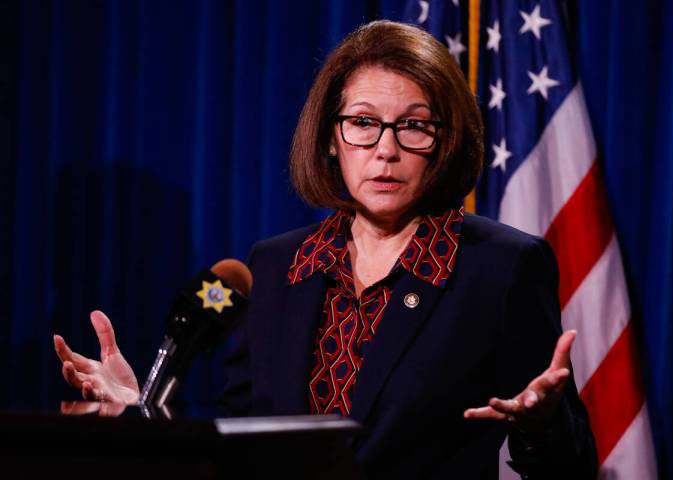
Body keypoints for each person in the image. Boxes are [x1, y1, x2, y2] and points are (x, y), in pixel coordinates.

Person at [54, 20, 597, 479]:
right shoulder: (277, 266)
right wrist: (140, 412)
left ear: (446, 139)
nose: (385, 150)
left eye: (413, 126)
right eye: (362, 123)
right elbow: (237, 448)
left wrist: (539, 424)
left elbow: (572, 465)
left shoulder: (499, 267)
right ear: (332, 140)